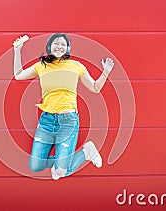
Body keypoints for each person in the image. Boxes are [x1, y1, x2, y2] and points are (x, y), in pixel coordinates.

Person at [13, 33, 114, 180]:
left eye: (63, 44)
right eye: (56, 43)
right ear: (49, 46)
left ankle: (86, 152)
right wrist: (17, 50)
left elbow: (94, 88)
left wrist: (105, 72)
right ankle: (74, 158)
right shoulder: (41, 66)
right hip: (46, 121)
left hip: (68, 121)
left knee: (60, 173)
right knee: (36, 166)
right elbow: (18, 75)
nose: (59, 46)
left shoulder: (76, 66)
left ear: (67, 48)